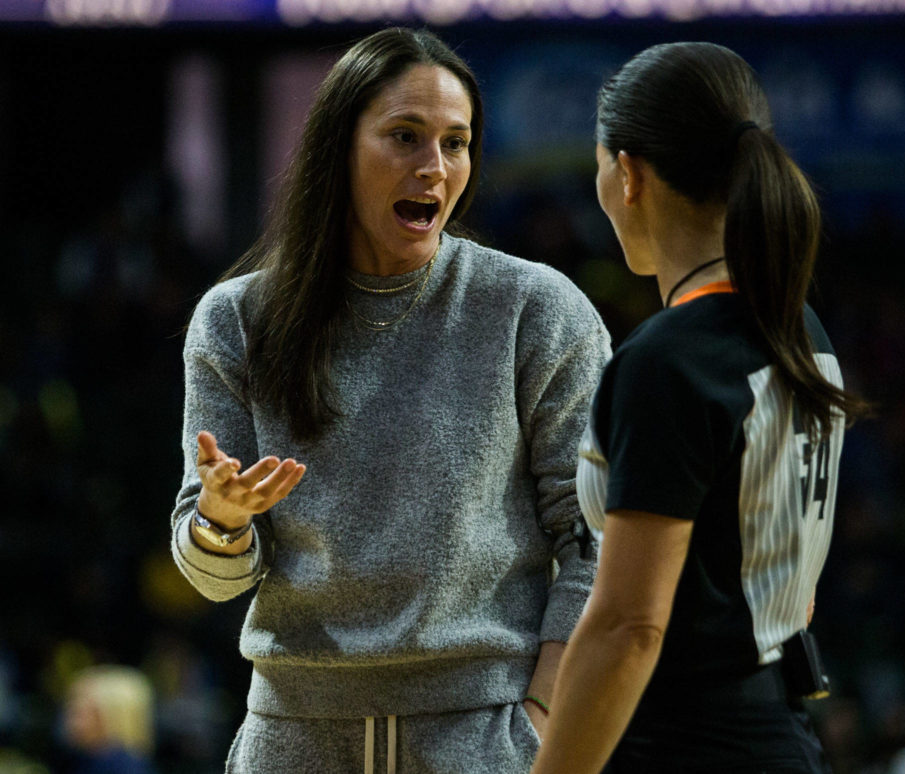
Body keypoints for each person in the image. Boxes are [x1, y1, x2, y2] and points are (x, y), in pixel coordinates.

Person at [169, 26, 610, 774]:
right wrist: (222, 518)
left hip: (486, 740)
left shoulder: (536, 310)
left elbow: (595, 541)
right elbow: (212, 576)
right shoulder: (236, 320)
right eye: (404, 136)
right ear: (339, 148)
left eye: (456, 142)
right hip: (292, 739)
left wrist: (537, 720)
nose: (433, 167)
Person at [530, 42, 871, 774]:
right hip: (779, 736)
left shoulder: (669, 361)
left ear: (628, 175)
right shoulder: (801, 331)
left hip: (681, 746)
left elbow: (628, 627)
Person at [61, 665, 156, 774]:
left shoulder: (127, 768)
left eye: (79, 709)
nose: (68, 716)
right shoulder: (79, 760)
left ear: (111, 716)